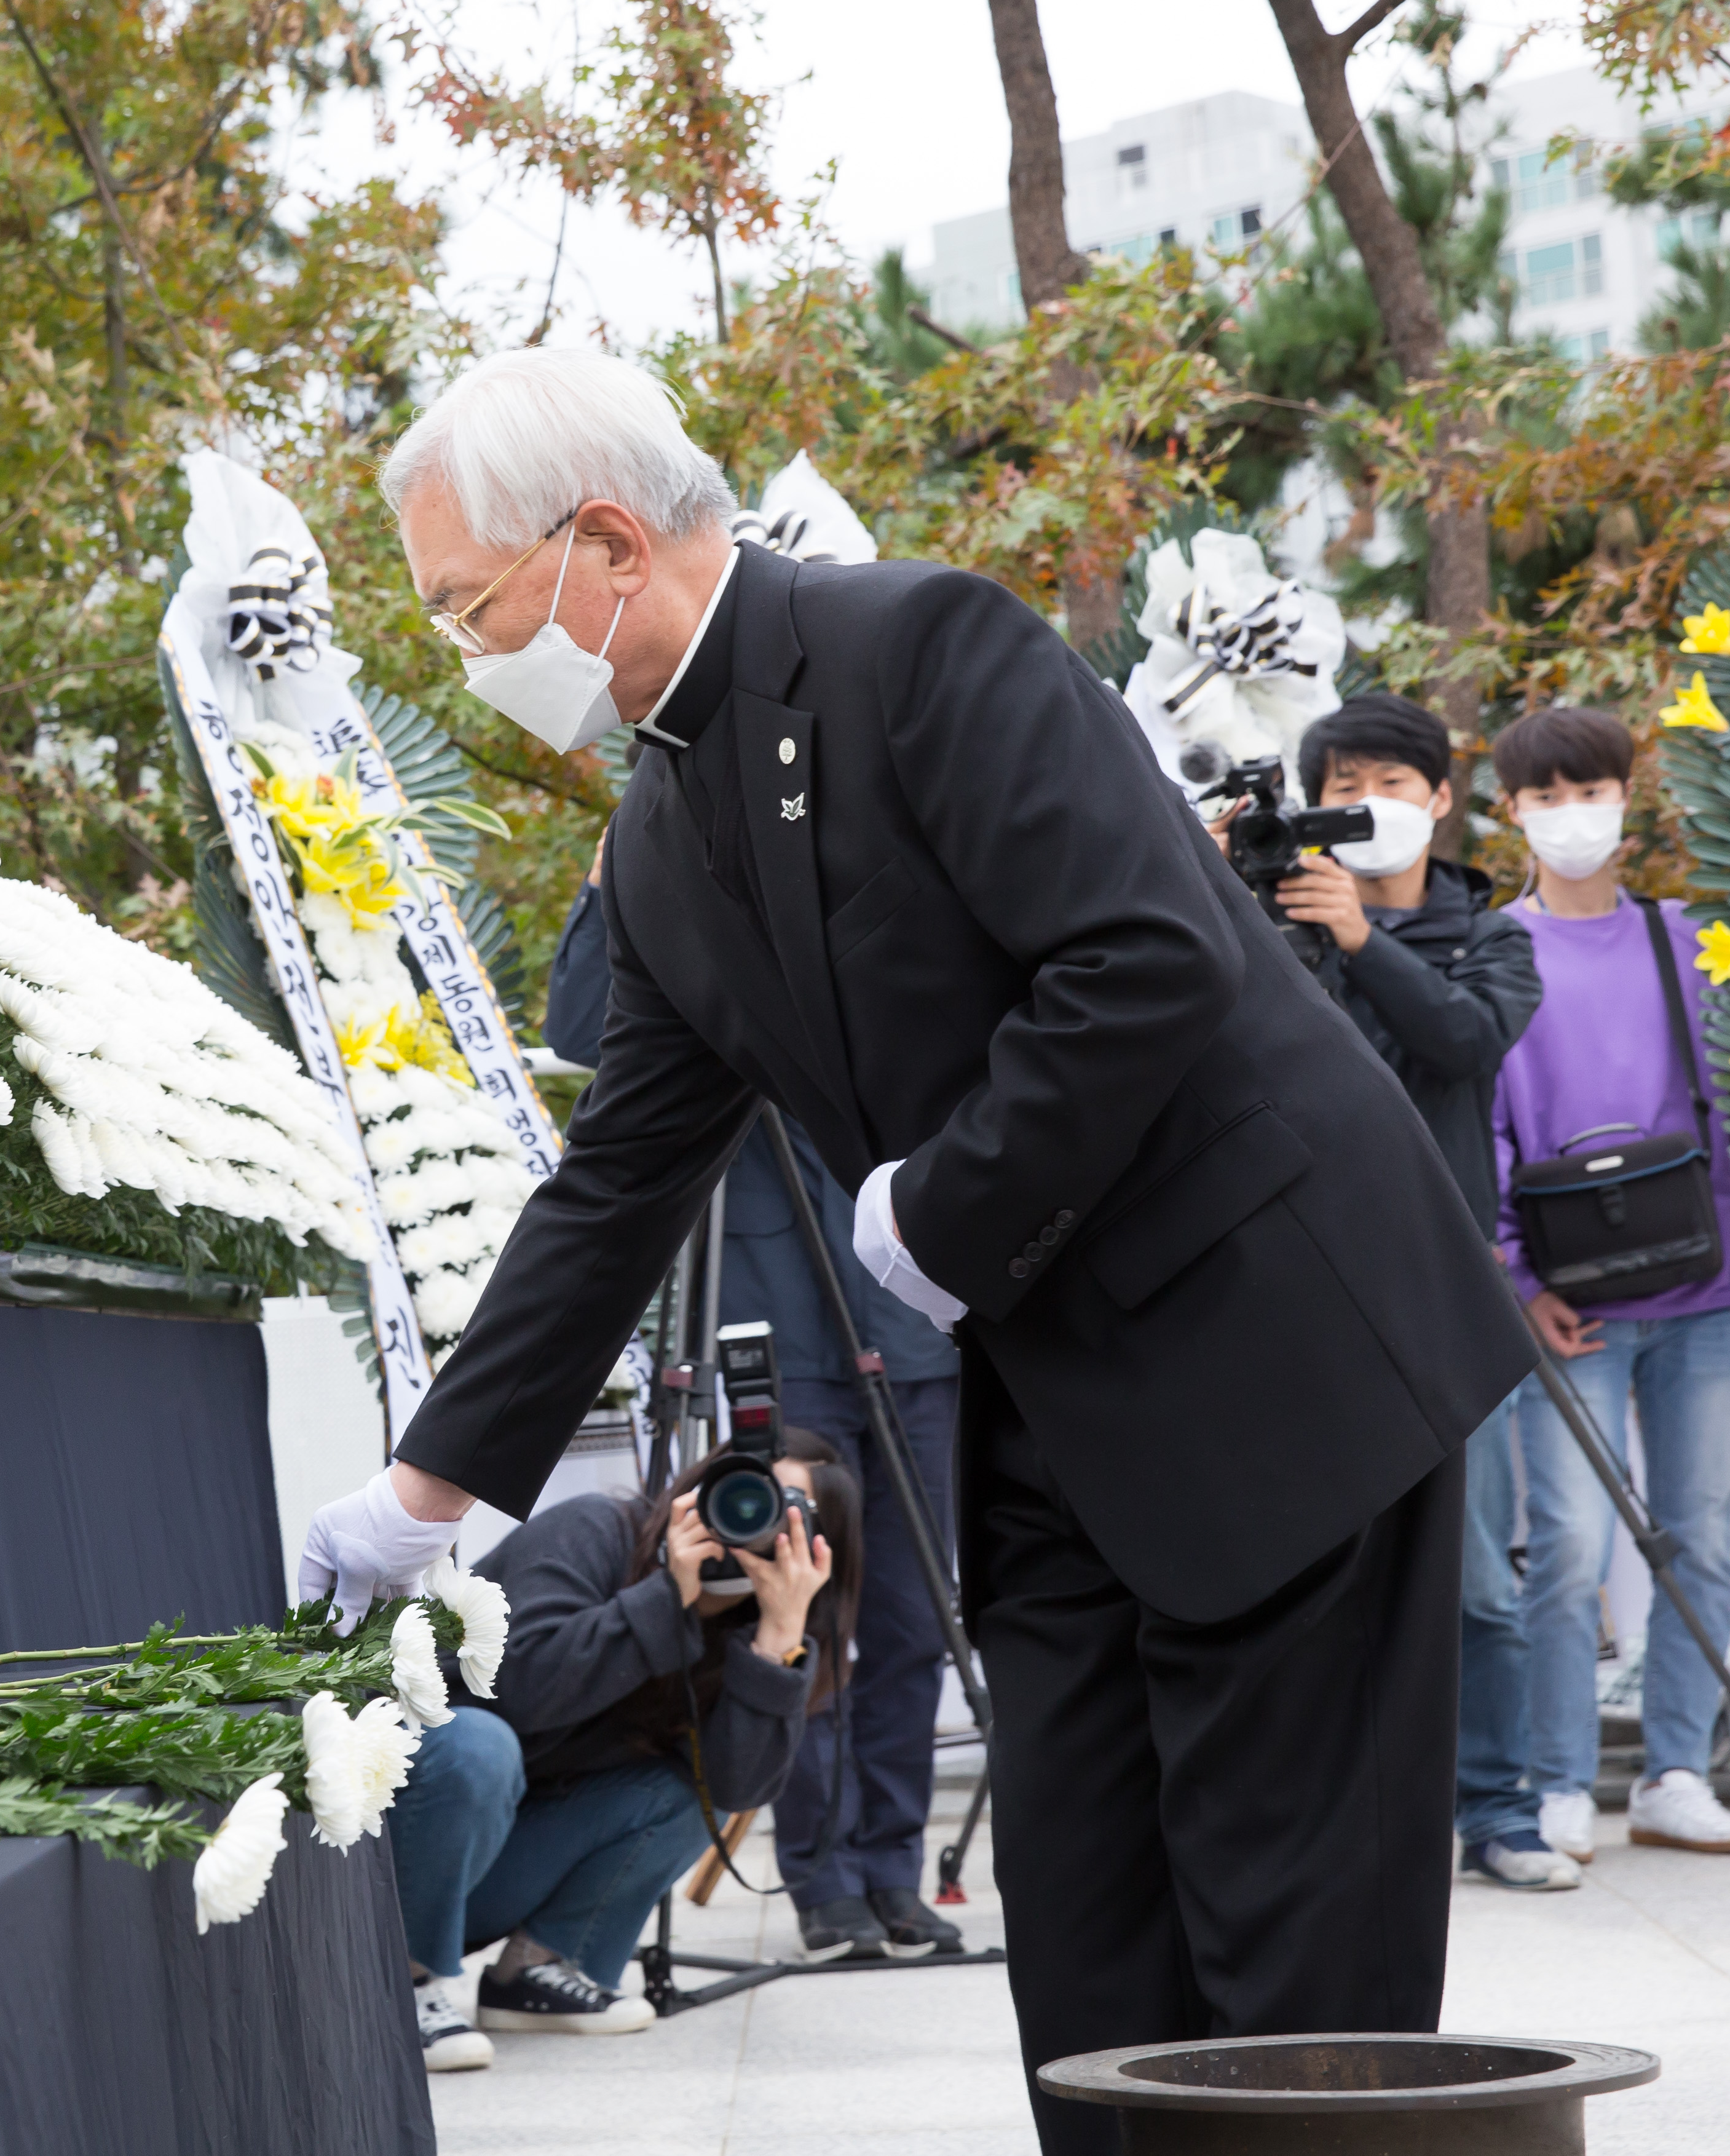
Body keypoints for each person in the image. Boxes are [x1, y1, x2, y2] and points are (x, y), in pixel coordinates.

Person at [296, 345, 1536, 2155]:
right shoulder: (657, 832)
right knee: (1087, 1930)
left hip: (1276, 1363)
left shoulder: (918, 648)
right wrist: (427, 1488)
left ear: (609, 544)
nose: (465, 656)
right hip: (1057, 1412)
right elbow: (616, 1180)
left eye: (470, 607)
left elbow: (1149, 957)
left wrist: (933, 1204)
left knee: (1290, 1954)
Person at [548, 844, 965, 1962]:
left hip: (911, 1321)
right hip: (771, 1323)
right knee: (793, 1595)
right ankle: (820, 1873)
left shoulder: (902, 913)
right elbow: (582, 1032)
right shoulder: (693, 906)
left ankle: (891, 1867)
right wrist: (609, 881)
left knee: (910, 1612)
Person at [1487, 705, 1730, 1863]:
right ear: (1509, 811)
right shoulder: (1497, 953)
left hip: (1707, 1287)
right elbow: (1480, 1130)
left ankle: (1675, 1767)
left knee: (1699, 1535)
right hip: (1567, 1300)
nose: (1574, 816)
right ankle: (1558, 1776)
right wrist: (1516, 1280)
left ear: (1628, 798)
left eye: (1593, 791)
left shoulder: (1688, 938)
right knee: (1567, 1545)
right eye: (1546, 796)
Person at [1277, 695, 1560, 1892]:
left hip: (1445, 1287)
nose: (1375, 802)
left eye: (1397, 781)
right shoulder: (1277, 929)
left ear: (1440, 800)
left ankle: (1497, 1809)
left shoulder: (1494, 935)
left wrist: (1359, 945)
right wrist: (1299, 929)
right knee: (1314, 1562)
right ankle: (1337, 1812)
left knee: (1476, 1573)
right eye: (1347, 781)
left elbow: (1459, 1041)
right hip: (1301, 1291)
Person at [395, 1435, 858, 2070]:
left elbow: (737, 1787)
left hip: (493, 1862)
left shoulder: (759, 1633)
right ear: (703, 1484)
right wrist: (671, 1594)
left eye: (785, 1509)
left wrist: (778, 1639)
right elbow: (516, 1690)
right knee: (482, 1745)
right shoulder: (593, 1530)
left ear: (820, 1547)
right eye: (745, 1490)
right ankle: (403, 1984)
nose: (752, 1517)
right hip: (402, 1849)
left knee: (689, 1790)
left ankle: (541, 1970)